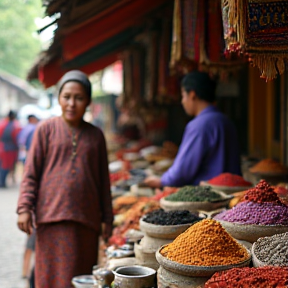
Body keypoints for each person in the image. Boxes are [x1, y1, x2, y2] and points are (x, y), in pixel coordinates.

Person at [16, 70, 113, 288]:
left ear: (87, 101)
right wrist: (24, 208)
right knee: (49, 278)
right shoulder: (45, 130)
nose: (71, 103)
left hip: (86, 222)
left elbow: (103, 181)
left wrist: (108, 218)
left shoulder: (96, 136)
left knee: (79, 280)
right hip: (51, 219)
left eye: (78, 98)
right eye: (66, 97)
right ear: (59, 98)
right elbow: (31, 173)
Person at [144, 71, 241, 188]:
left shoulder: (199, 125)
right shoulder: (226, 121)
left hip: (207, 197)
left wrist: (162, 181)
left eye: (183, 96)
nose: (182, 101)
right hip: (234, 194)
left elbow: (183, 171)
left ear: (192, 95)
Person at [0, 110, 21, 188]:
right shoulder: (13, 125)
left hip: (3, 147)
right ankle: (2, 182)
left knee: (3, 165)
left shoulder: (3, 123)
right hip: (9, 149)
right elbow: (16, 138)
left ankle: (2, 181)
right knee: (5, 166)